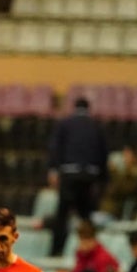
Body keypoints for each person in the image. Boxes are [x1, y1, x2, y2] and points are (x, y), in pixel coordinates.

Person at [45, 97, 110, 257]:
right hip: (89, 175)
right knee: (86, 215)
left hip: (69, 174)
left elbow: (55, 148)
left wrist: (54, 169)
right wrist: (102, 179)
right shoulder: (96, 125)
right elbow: (104, 153)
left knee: (63, 215)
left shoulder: (65, 123)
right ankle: (91, 249)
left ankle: (57, 250)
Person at [99, 145, 137, 221]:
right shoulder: (127, 173)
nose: (123, 159)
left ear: (135, 157)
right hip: (111, 211)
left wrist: (113, 172)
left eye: (126, 156)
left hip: (123, 212)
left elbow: (122, 190)